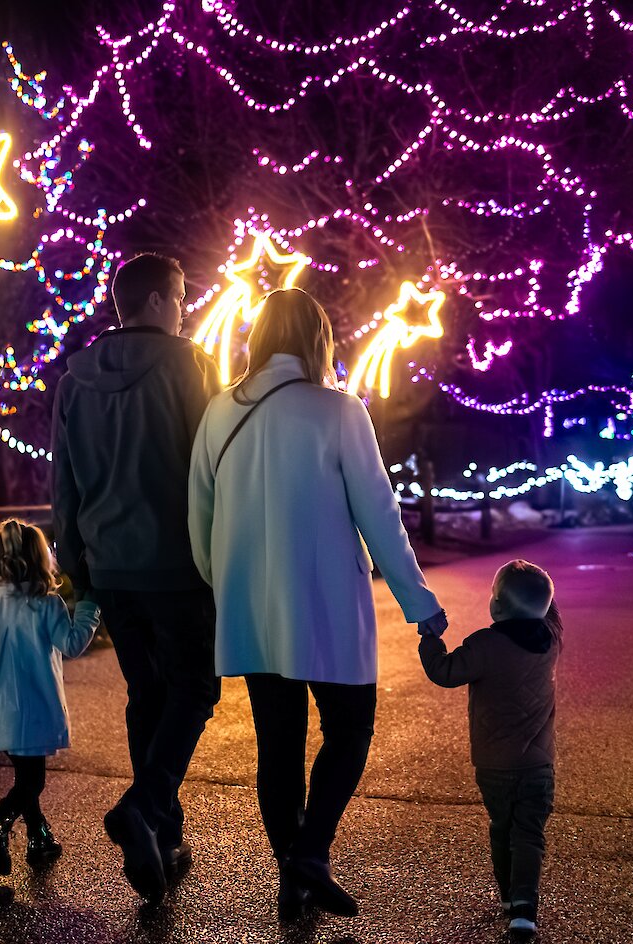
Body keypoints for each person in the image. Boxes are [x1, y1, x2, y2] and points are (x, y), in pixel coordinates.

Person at [187, 287, 447, 920]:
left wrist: (225, 581)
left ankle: (293, 876)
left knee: (278, 745)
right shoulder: (339, 411)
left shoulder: (220, 411)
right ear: (318, 341)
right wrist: (418, 602)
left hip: (250, 604)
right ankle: (311, 851)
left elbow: (198, 515)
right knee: (350, 726)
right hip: (326, 603)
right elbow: (379, 516)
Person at [51, 252, 222, 905]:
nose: (183, 309)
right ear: (155, 300)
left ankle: (164, 834)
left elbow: (61, 481)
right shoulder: (192, 366)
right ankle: (144, 810)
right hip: (177, 564)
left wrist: (76, 565)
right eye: (178, 297)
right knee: (196, 688)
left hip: (110, 566)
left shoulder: (74, 379)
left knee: (147, 694)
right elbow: (213, 469)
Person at [418, 559, 561, 936]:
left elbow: (444, 672)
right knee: (529, 834)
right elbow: (547, 610)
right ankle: (525, 908)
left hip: (494, 765)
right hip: (538, 766)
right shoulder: (551, 641)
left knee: (502, 827)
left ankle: (508, 897)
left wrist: (430, 638)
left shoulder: (484, 645)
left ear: (496, 605)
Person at [0, 518, 100, 876]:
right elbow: (71, 643)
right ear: (41, 559)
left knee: (26, 777)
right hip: (31, 708)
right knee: (32, 780)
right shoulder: (47, 606)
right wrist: (88, 608)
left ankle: (39, 838)